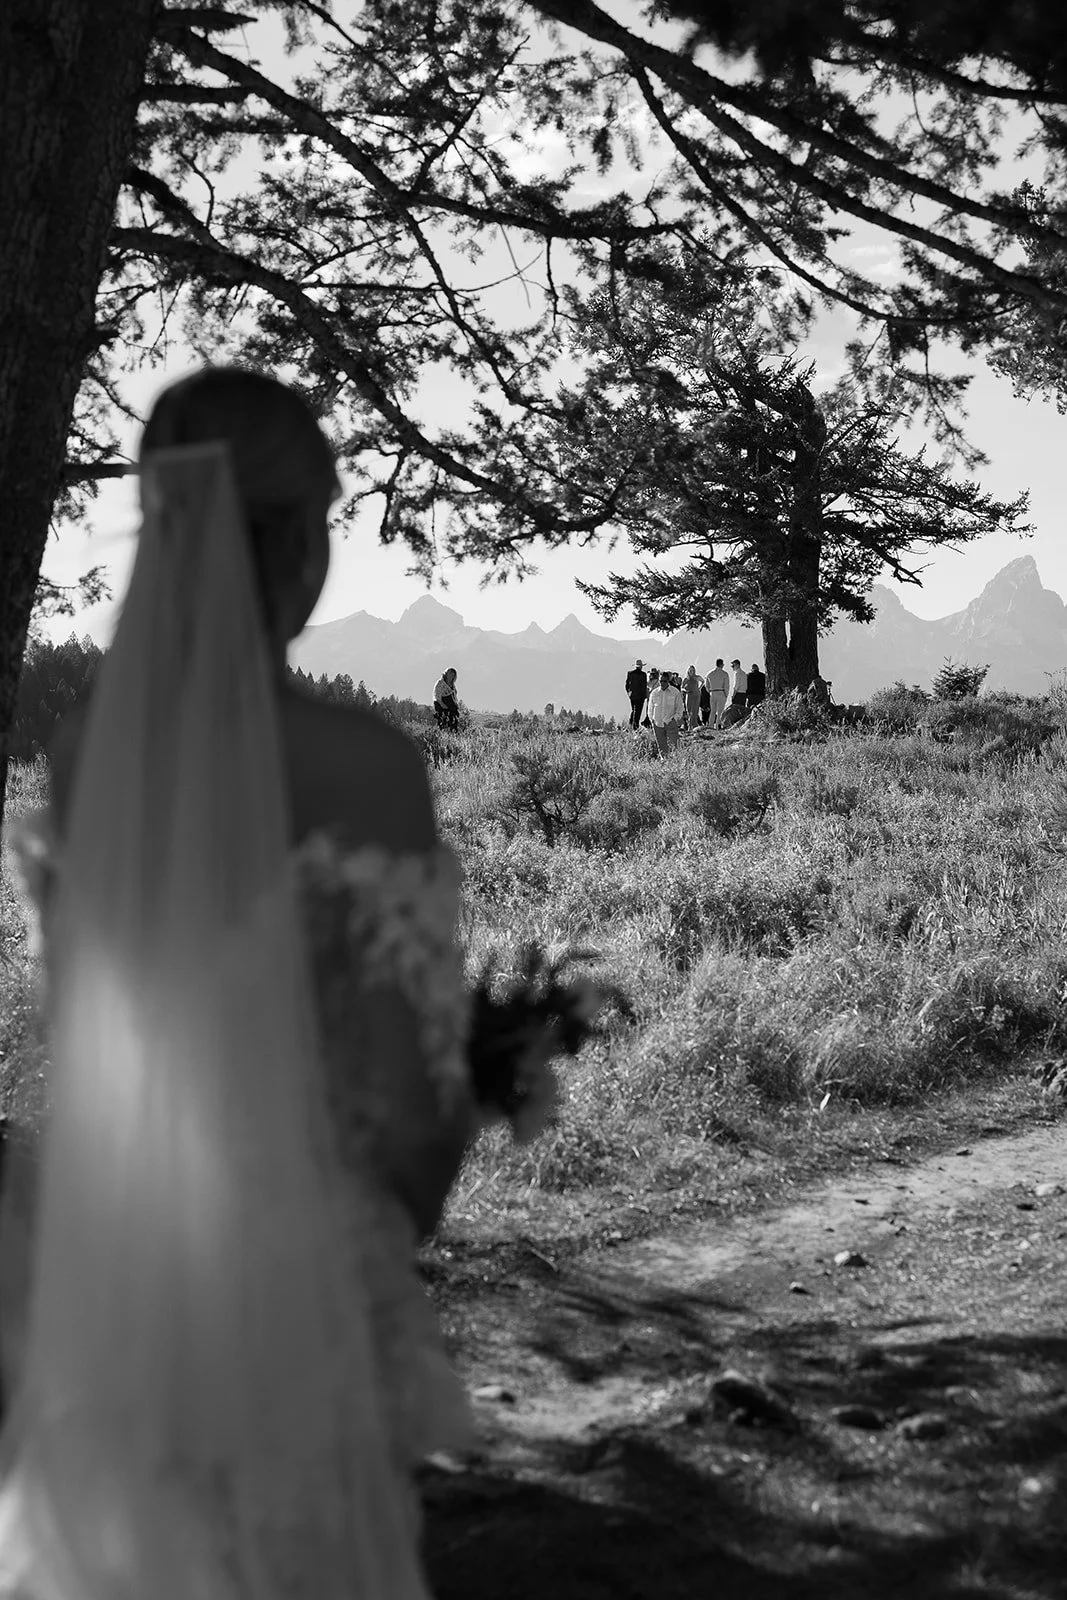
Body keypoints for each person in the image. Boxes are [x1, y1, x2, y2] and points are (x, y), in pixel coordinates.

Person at [0, 368, 582, 1600]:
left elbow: (95, 1043)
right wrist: (478, 1090)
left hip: (117, 1300)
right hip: (291, 1306)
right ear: (302, 541)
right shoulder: (364, 769)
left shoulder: (84, 752)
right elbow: (406, 1130)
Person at [646, 669, 683, 756]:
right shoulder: (654, 693)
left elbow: (680, 708)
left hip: (671, 723)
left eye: (664, 681)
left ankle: (679, 763)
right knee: (662, 749)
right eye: (661, 681)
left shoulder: (675, 692)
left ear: (668, 681)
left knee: (676, 747)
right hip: (658, 724)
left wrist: (674, 720)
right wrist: (652, 720)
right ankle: (665, 764)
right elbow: (650, 708)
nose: (662, 683)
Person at [624, 659, 648, 733]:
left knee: (634, 710)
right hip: (640, 696)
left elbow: (627, 684)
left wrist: (629, 692)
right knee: (638, 711)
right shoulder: (643, 675)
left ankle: (631, 724)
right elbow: (644, 686)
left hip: (632, 695)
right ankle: (635, 726)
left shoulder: (630, 674)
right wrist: (645, 696)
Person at [705, 659, 729, 728]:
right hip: (721, 692)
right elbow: (726, 686)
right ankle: (718, 726)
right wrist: (726, 695)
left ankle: (710, 725)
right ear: (721, 664)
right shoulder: (725, 674)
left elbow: (707, 686)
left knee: (713, 711)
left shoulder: (710, 673)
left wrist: (710, 692)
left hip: (712, 692)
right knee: (720, 711)